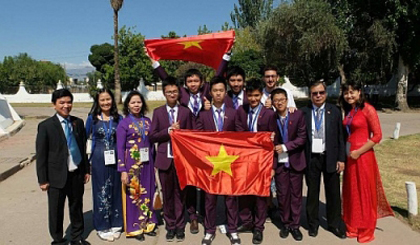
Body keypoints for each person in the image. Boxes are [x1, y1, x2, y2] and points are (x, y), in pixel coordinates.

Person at [148, 52, 230, 233]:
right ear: (185, 84)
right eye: (189, 81)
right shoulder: (181, 95)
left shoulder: (208, 93)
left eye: (196, 81)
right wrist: (156, 63)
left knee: (204, 183)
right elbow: (167, 82)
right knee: (188, 185)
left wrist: (225, 56)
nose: (193, 84)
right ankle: (192, 216)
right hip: (183, 147)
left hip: (203, 144)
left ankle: (203, 216)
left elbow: (218, 76)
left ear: (201, 82)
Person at [339, 81, 393, 243]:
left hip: (363, 157)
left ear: (359, 92)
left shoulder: (368, 109)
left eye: (352, 92)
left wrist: (359, 152)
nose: (349, 95)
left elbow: (377, 136)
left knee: (364, 192)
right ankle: (354, 225)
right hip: (351, 157)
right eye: (346, 93)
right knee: (352, 191)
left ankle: (366, 229)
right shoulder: (351, 110)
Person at [36, 89, 90, 245]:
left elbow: (82, 147)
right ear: (54, 105)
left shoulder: (78, 122)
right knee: (56, 210)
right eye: (62, 103)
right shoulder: (46, 126)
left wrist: (86, 170)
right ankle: (58, 239)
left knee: (76, 207)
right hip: (55, 177)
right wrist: (43, 179)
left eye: (68, 102)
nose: (66, 105)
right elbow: (41, 155)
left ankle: (77, 237)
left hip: (76, 174)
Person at [196, 76, 241, 245]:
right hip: (210, 163)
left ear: (225, 92)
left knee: (230, 198)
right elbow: (198, 138)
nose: (218, 93)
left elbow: (240, 137)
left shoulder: (233, 113)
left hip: (229, 161)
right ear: (210, 93)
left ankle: (233, 229)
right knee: (210, 198)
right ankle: (209, 230)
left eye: (221, 90)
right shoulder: (203, 114)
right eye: (215, 91)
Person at [149, 77, 193, 242]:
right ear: (164, 93)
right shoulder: (158, 112)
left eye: (175, 91)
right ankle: (170, 226)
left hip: (181, 161)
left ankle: (180, 226)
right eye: (169, 92)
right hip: (164, 160)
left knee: (180, 194)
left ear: (179, 93)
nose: (172, 94)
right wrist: (168, 130)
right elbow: (152, 136)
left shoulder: (185, 112)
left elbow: (192, 135)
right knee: (167, 195)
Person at [302, 80, 346, 239]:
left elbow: (341, 137)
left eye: (321, 92)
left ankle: (335, 224)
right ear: (310, 95)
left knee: (333, 193)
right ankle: (312, 225)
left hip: (330, 157)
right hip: (311, 158)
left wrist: (341, 159)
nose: (318, 96)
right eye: (315, 93)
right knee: (312, 194)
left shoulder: (334, 111)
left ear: (326, 94)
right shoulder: (303, 112)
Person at [235, 78, 277, 244]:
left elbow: (273, 140)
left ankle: (258, 227)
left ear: (261, 95)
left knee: (260, 195)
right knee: (244, 193)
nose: (253, 99)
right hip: (244, 160)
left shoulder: (269, 113)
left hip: (262, 161)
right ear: (246, 95)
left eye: (256, 95)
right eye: (250, 95)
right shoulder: (240, 111)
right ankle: (246, 222)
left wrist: (273, 165)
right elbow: (239, 135)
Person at [116, 91, 157, 241]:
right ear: (128, 105)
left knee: (148, 193)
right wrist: (122, 170)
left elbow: (152, 143)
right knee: (135, 194)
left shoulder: (148, 121)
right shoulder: (124, 123)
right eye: (133, 102)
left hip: (147, 163)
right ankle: (135, 227)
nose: (136, 105)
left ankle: (148, 224)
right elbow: (119, 148)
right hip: (131, 164)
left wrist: (155, 162)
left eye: (139, 102)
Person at [85, 89, 123, 242]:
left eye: (108, 99)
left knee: (115, 189)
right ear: (98, 102)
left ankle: (116, 222)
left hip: (116, 159)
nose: (106, 102)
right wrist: (85, 163)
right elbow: (84, 137)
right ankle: (102, 225)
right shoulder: (92, 119)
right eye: (102, 100)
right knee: (101, 190)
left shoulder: (118, 118)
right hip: (98, 159)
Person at [271, 88, 307, 241]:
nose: (279, 103)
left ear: (287, 100)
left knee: (296, 196)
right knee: (283, 195)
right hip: (280, 164)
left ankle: (295, 226)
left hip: (295, 161)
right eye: (276, 100)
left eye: (282, 100)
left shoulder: (297, 115)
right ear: (273, 102)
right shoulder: (271, 118)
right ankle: (285, 224)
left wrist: (285, 147)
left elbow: (302, 138)